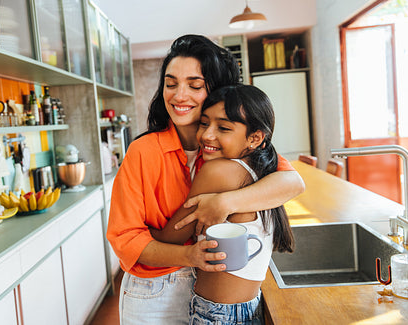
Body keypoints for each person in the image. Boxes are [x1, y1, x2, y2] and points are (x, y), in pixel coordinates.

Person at [107, 34, 304, 325]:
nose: (179, 95)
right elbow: (125, 240)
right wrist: (189, 256)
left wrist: (223, 202)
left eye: (195, 85)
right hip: (155, 290)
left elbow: (292, 183)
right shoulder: (143, 151)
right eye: (170, 84)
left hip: (212, 290)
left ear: (216, 90)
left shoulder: (230, 150)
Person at [151, 84, 295, 324]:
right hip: (246, 306)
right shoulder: (263, 171)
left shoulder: (219, 171)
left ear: (255, 138)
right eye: (204, 123)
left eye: (224, 128)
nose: (207, 135)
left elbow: (170, 237)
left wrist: (136, 229)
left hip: (218, 314)